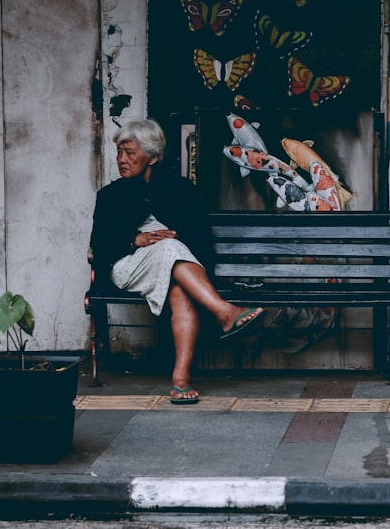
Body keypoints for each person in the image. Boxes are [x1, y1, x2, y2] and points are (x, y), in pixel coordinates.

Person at [90, 118, 263, 405]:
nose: (122, 159)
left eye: (130, 153)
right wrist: (134, 240)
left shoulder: (179, 188)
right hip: (127, 266)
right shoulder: (111, 196)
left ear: (152, 157)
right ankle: (225, 312)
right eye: (120, 152)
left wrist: (178, 233)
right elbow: (100, 244)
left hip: (176, 265)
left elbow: (199, 236)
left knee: (180, 288)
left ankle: (180, 380)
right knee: (170, 248)